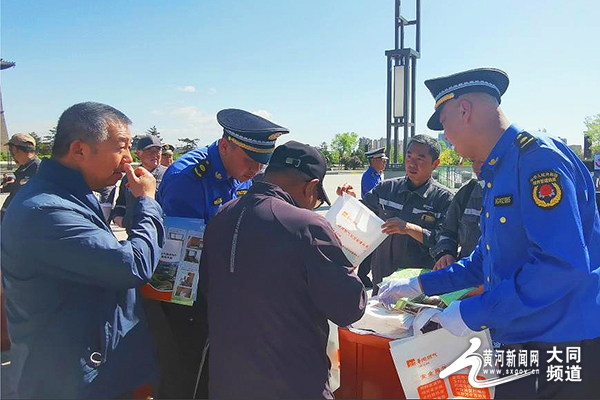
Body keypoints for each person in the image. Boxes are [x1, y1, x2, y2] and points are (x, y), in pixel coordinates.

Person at [378, 68, 600, 399]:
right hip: (518, 331)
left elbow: (562, 266)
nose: (447, 138)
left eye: (445, 125)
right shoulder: (500, 168)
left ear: (464, 110)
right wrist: (419, 284)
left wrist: (470, 312)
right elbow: (487, 256)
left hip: (558, 338)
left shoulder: (537, 161)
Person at [1, 102, 165, 398]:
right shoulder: (47, 210)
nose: (128, 159)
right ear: (79, 150)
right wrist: (147, 203)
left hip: (88, 370)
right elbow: (132, 265)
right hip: (70, 381)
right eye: (121, 147)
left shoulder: (67, 196)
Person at [199, 140, 366, 399]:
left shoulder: (222, 216)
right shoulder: (307, 226)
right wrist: (346, 267)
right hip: (293, 383)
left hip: (228, 382)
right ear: (311, 187)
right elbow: (348, 308)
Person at [154, 108, 289, 398]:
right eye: (250, 161)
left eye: (261, 164)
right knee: (186, 373)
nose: (254, 172)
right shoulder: (188, 177)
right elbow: (185, 254)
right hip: (183, 290)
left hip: (217, 286)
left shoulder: (241, 172)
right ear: (225, 145)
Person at [337, 134, 453, 294]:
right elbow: (361, 214)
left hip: (417, 286)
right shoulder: (386, 189)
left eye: (420, 159)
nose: (412, 163)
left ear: (435, 164)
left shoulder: (443, 198)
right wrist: (349, 200)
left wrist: (408, 228)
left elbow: (444, 242)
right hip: (382, 279)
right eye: (409, 156)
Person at [430, 159, 484, 270]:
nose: (476, 167)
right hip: (468, 277)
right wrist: (446, 253)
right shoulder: (467, 192)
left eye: (482, 161)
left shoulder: (519, 192)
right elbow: (448, 231)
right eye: (473, 161)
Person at [111, 135, 166, 231]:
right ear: (138, 153)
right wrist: (118, 219)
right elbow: (121, 204)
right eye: (149, 151)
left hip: (160, 231)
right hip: (134, 233)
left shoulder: (168, 175)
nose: (154, 154)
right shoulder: (130, 177)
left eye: (157, 151)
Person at [357, 147, 389, 288]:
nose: (384, 163)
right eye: (382, 160)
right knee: (370, 248)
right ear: (373, 161)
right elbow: (374, 198)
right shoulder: (369, 176)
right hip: (372, 216)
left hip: (376, 217)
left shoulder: (376, 175)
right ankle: (362, 275)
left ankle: (364, 275)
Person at [1, 133, 41, 221]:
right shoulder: (25, 169)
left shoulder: (38, 170)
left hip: (21, 226)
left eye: (10, 149)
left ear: (14, 149)